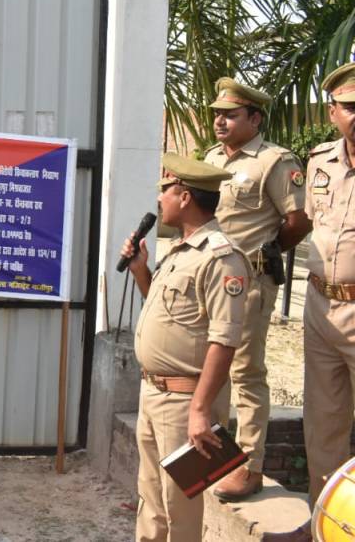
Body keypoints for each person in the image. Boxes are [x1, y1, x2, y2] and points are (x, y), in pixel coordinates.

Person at [121, 154, 253, 542]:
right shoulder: (180, 251)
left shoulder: (222, 258)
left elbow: (225, 340)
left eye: (165, 190)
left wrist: (199, 410)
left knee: (180, 508)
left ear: (184, 197)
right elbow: (167, 314)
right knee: (151, 500)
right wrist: (141, 271)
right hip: (153, 393)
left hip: (184, 403)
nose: (159, 198)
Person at [202, 78, 311, 501]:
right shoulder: (212, 158)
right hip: (209, 283)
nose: (220, 122)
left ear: (255, 119)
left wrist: (268, 253)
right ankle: (213, 459)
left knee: (246, 373)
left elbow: (298, 221)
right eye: (217, 115)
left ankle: (249, 467)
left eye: (230, 115)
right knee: (211, 371)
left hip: (248, 283)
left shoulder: (274, 161)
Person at [263, 63, 355, 542]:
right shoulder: (320, 161)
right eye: (350, 107)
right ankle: (325, 524)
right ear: (332, 111)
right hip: (320, 307)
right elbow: (305, 223)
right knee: (323, 425)